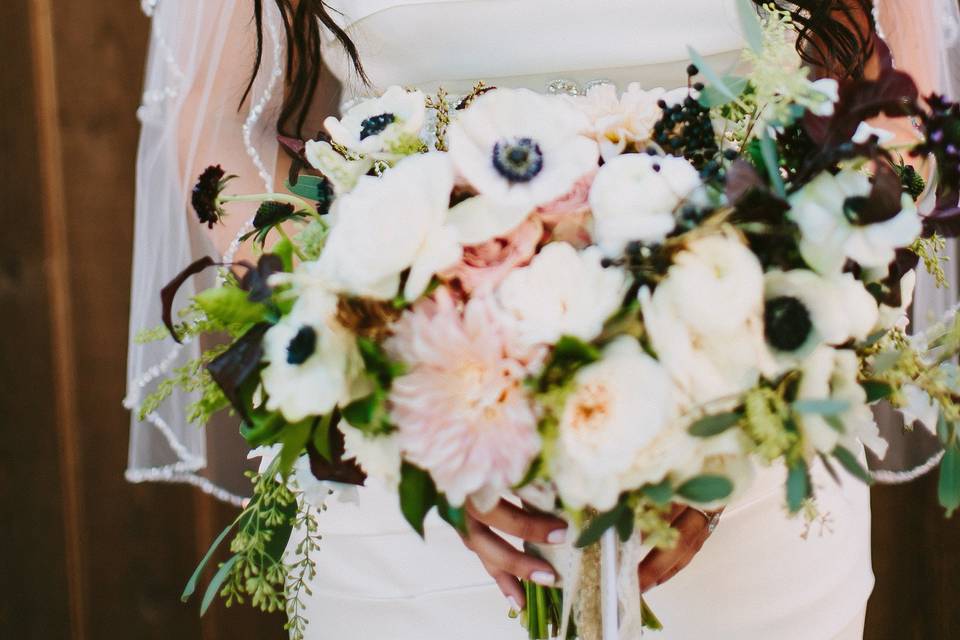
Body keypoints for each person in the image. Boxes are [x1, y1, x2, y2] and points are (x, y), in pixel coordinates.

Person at [125, 1, 959, 638]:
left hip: (747, 450)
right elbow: (212, 127)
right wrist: (389, 364)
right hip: (413, 469)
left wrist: (724, 426)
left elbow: (904, 110)